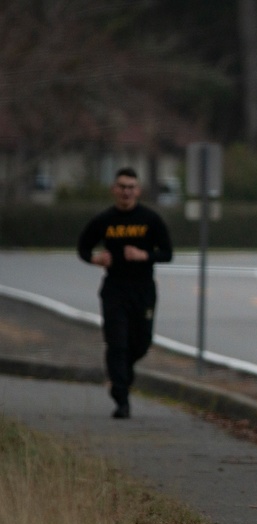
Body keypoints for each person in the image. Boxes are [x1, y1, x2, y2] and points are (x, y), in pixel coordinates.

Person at [77, 167, 173, 419]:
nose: (126, 192)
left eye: (131, 187)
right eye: (122, 187)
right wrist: (95, 259)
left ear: (138, 191)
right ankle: (121, 398)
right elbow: (83, 247)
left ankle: (123, 373)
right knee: (116, 343)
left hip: (143, 289)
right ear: (114, 190)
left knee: (141, 343)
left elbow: (168, 253)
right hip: (115, 288)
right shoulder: (104, 220)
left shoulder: (150, 220)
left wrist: (145, 255)